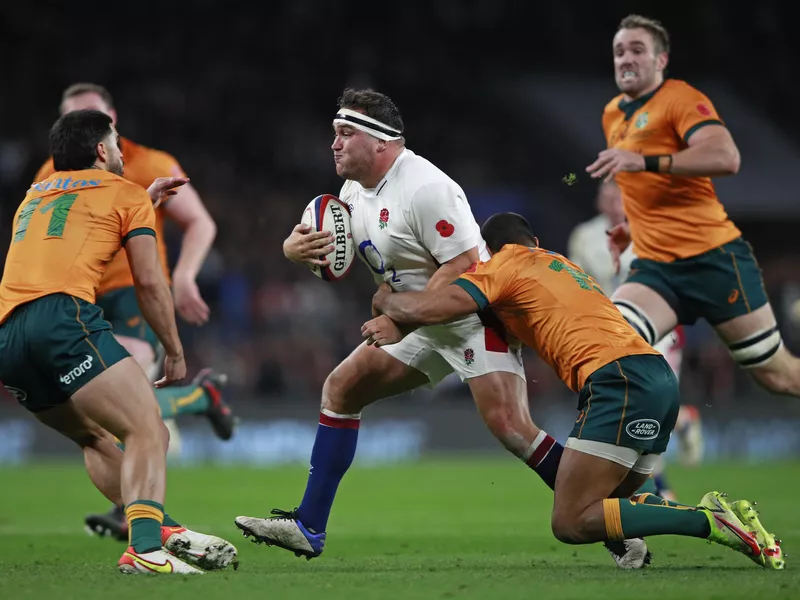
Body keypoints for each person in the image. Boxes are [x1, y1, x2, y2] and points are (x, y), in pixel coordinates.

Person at [234, 88, 578, 561]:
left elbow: (463, 264)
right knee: (341, 389)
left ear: (381, 143)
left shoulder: (426, 187)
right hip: (417, 321)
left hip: (470, 316)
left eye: (345, 133)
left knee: (512, 427)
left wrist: (403, 318)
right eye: (334, 132)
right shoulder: (354, 190)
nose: (333, 143)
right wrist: (294, 249)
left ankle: (612, 514)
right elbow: (336, 250)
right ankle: (309, 526)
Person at [362, 212, 783, 569]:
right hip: (657, 377)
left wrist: (388, 301)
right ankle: (691, 528)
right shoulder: (563, 266)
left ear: (488, 251)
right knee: (613, 502)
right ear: (535, 242)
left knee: (570, 522)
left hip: (618, 382)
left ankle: (708, 520)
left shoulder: (502, 267)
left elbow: (433, 308)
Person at [0, 110, 237, 574]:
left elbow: (79, 221)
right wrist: (174, 348)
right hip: (63, 319)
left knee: (93, 437)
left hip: (9, 336)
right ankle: (145, 550)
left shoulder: (34, 195)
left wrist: (141, 201)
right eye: (116, 140)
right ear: (102, 151)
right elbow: (149, 285)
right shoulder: (126, 196)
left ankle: (161, 528)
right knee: (148, 429)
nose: (122, 149)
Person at [585, 15, 800, 402]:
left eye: (637, 50)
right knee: (609, 347)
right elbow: (649, 189)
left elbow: (726, 156)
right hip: (656, 269)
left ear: (661, 60)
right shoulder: (612, 114)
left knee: (779, 376)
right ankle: (649, 448)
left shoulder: (681, 98)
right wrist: (631, 226)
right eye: (619, 52)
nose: (626, 59)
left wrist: (646, 161)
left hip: (713, 260)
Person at [567, 180, 703, 500]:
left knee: (650, 406)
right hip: (611, 331)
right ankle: (682, 424)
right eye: (607, 195)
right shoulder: (585, 236)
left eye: (619, 195)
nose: (613, 201)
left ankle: (661, 486)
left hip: (659, 331)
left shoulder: (652, 230)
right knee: (642, 408)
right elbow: (576, 280)